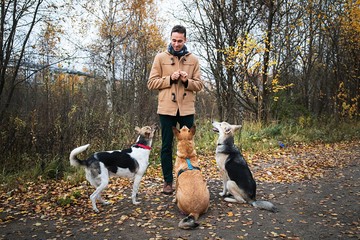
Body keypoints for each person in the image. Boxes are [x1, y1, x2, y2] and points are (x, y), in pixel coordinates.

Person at [147, 25, 204, 194]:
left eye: (180, 41)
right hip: (166, 109)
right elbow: (151, 83)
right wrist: (169, 79)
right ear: (170, 39)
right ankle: (168, 182)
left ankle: (189, 178)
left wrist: (187, 82)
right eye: (174, 40)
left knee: (188, 145)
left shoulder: (193, 60)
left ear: (185, 40)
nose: (176, 44)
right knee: (166, 146)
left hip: (186, 109)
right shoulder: (160, 58)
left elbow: (199, 85)